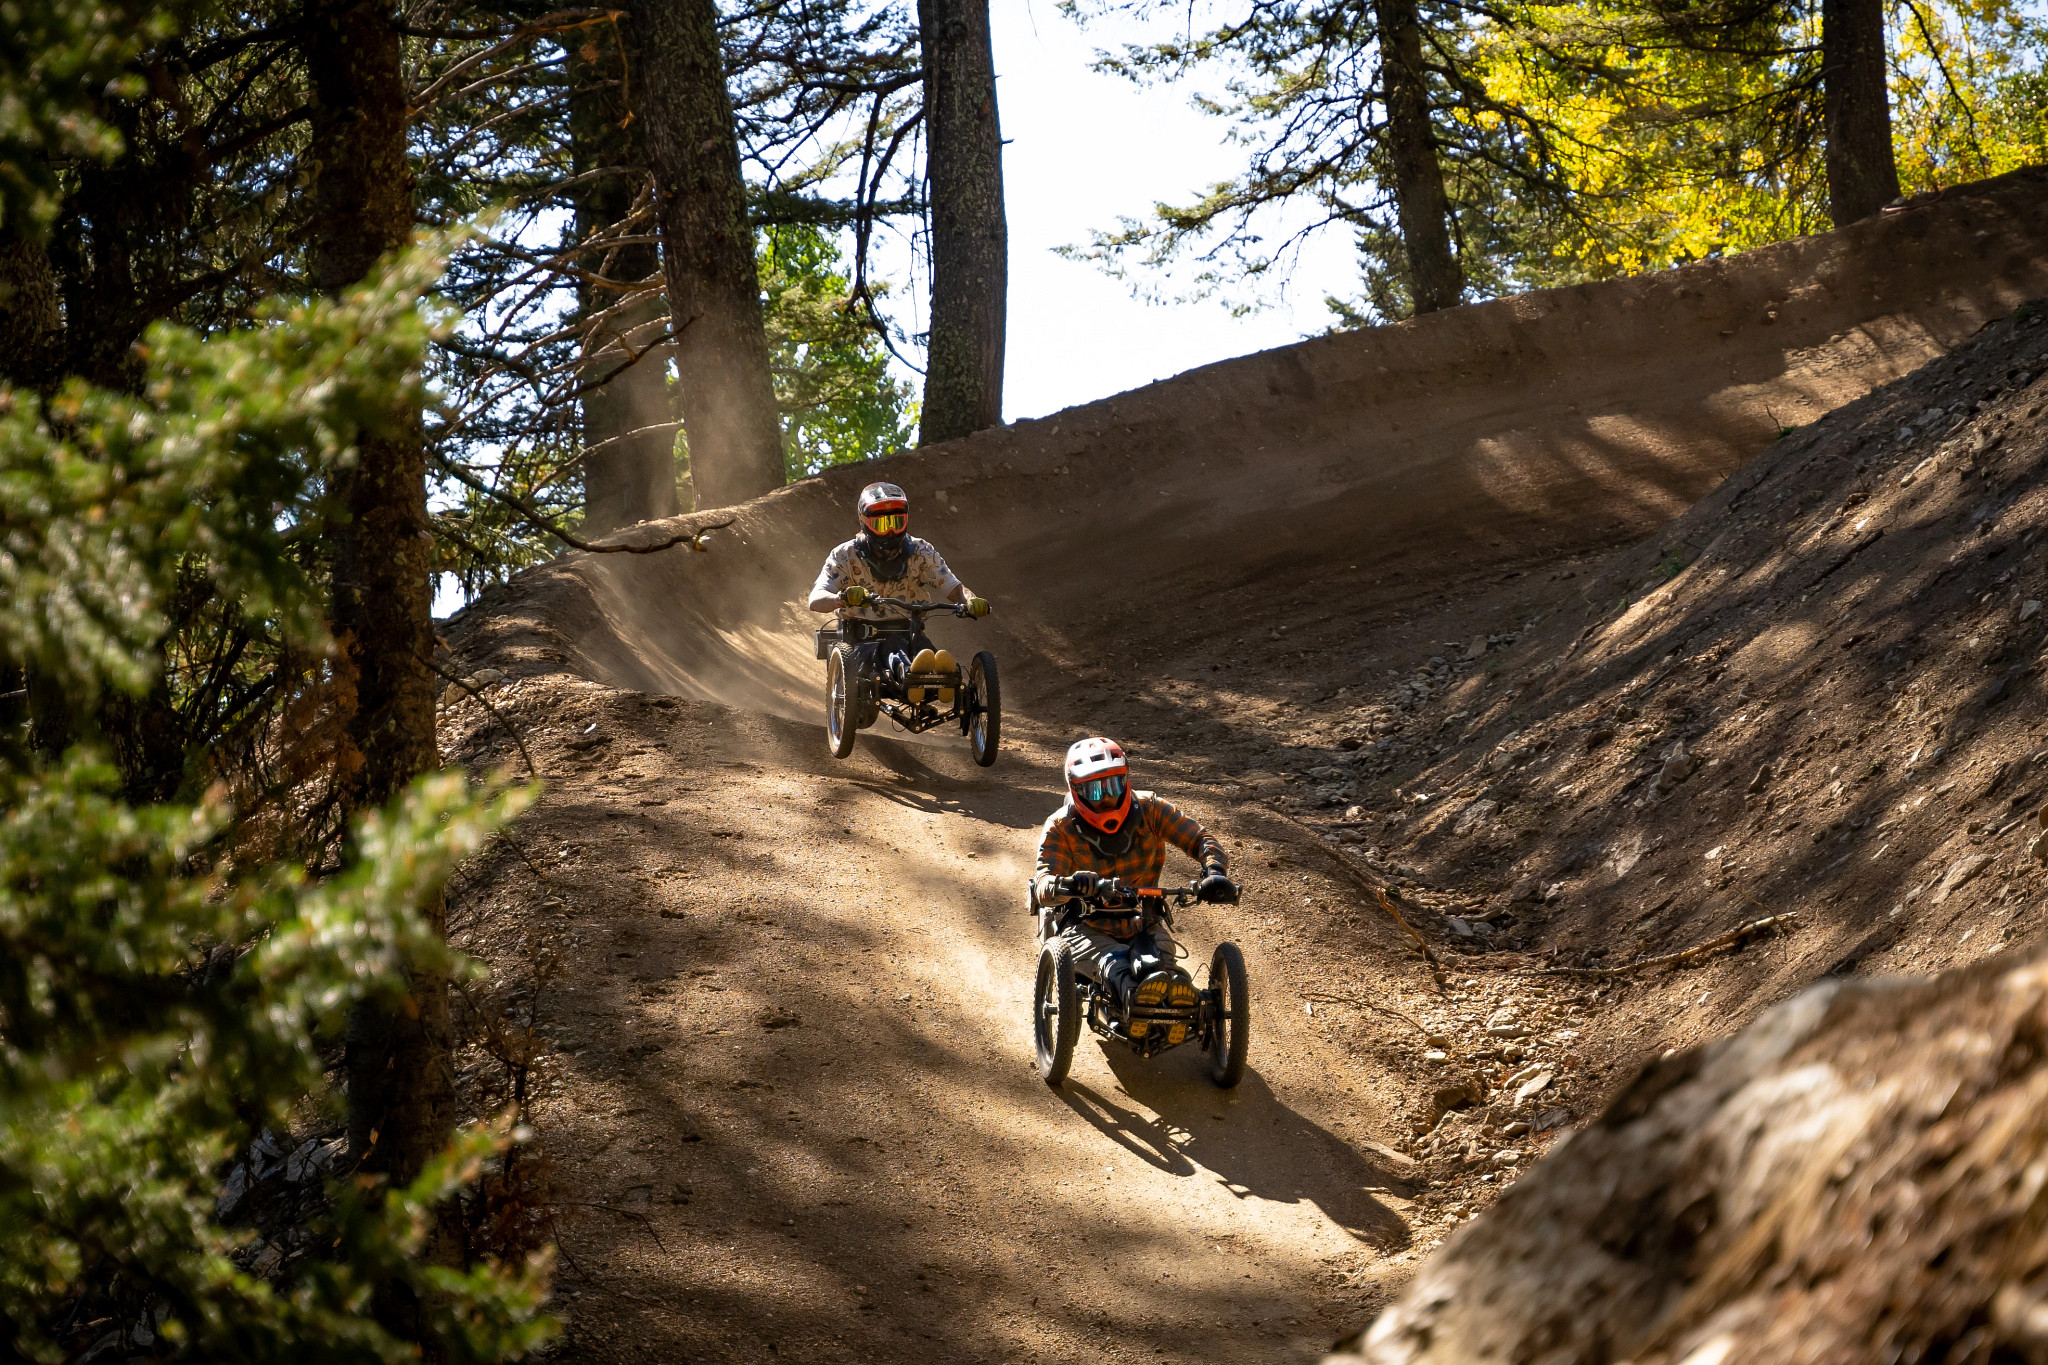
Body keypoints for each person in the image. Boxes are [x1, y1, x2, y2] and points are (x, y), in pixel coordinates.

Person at [1032, 736, 1237, 1009]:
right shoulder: (1060, 826)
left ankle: (1182, 1001)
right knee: (1117, 968)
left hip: (1144, 923)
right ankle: (1133, 997)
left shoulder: (1151, 809)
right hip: (1086, 927)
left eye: (1113, 786)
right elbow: (1043, 883)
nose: (1107, 797)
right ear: (1076, 790)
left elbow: (1200, 839)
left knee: (1163, 969)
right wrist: (1072, 884)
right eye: (1095, 791)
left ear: (1126, 780)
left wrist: (1214, 871)